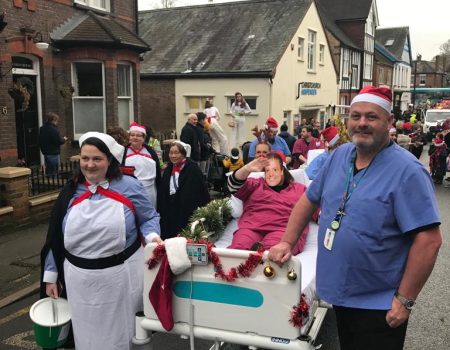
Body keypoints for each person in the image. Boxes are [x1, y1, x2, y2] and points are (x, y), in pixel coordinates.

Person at [269, 86, 442, 350]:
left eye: (371, 117)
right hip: (342, 292)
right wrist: (286, 242)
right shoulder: (340, 155)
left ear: (389, 122)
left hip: (380, 303)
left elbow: (429, 241)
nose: (362, 123)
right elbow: (308, 199)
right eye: (356, 116)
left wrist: (405, 300)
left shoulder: (408, 171)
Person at [40, 132, 161, 350]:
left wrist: (153, 238)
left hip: (120, 280)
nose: (90, 165)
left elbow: (149, 216)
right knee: (86, 337)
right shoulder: (70, 190)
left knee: (122, 336)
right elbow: (55, 236)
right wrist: (51, 276)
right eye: (85, 158)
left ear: (110, 161)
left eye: (97, 159)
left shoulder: (130, 186)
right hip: (79, 281)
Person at [227, 152, 312, 253]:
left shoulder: (300, 190)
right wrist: (246, 169)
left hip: (283, 230)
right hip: (251, 228)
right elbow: (233, 186)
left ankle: (260, 256)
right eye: (267, 170)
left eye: (275, 169)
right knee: (238, 249)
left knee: (274, 253)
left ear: (282, 171)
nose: (271, 174)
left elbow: (318, 210)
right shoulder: (255, 184)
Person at [157, 141, 210, 239]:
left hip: (186, 211)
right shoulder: (168, 168)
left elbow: (199, 191)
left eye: (176, 153)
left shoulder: (192, 168)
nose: (173, 155)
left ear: (183, 153)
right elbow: (163, 190)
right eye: (171, 153)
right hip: (170, 211)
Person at [122, 122, 161, 207]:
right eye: (132, 135)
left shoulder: (151, 152)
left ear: (143, 138)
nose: (135, 137)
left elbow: (157, 173)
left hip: (149, 191)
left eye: (138, 135)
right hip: (129, 191)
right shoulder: (122, 152)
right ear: (129, 137)